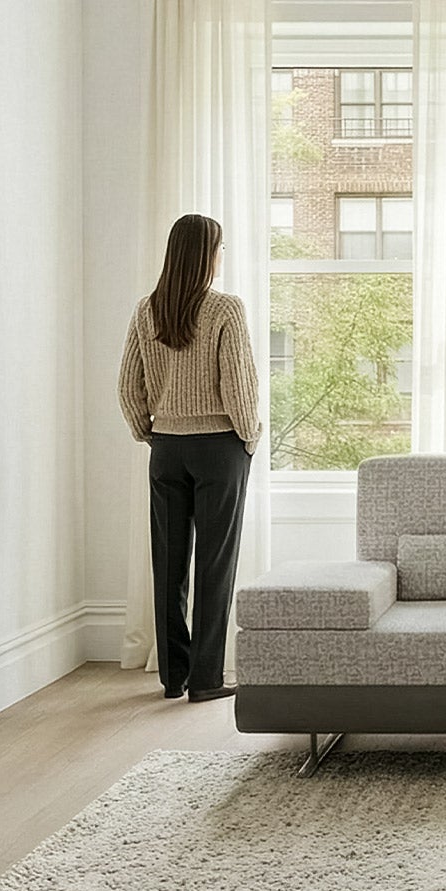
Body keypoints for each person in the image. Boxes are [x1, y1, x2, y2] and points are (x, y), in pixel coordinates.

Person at [118, 214, 260, 701]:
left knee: (170, 565)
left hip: (167, 449)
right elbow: (237, 385)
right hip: (220, 447)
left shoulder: (147, 310)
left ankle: (172, 677)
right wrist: (250, 435)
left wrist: (150, 432)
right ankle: (205, 680)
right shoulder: (226, 309)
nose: (222, 257)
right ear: (207, 255)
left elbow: (126, 387)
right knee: (215, 567)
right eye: (221, 248)